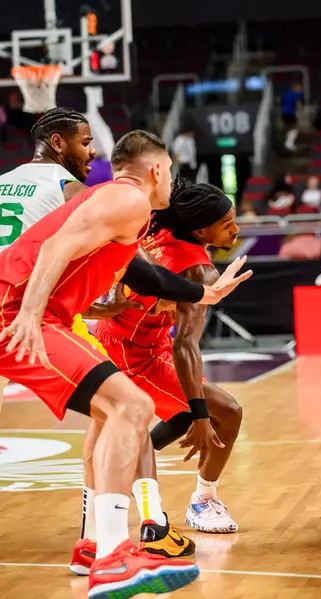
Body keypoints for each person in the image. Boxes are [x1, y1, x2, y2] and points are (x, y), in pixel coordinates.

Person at [0, 129, 251, 599]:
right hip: (17, 311)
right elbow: (54, 249)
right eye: (170, 171)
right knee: (132, 407)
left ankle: (95, 546)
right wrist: (30, 313)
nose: (171, 182)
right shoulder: (129, 200)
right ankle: (116, 556)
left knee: (111, 414)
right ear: (157, 169)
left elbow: (145, 274)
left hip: (31, 310)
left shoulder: (121, 209)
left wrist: (205, 293)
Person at [70, 178, 243, 575]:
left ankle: (127, 456)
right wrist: (202, 415)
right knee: (225, 413)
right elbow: (186, 346)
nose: (236, 229)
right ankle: (201, 501)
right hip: (133, 350)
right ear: (201, 231)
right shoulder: (199, 269)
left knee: (180, 414)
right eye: (228, 223)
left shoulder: (157, 224)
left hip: (135, 338)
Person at [0, 107, 137, 409]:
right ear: (59, 143)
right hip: (17, 311)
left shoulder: (3, 181)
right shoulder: (69, 188)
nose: (93, 151)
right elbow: (123, 239)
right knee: (124, 404)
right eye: (86, 143)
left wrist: (93, 310)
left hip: (13, 301)